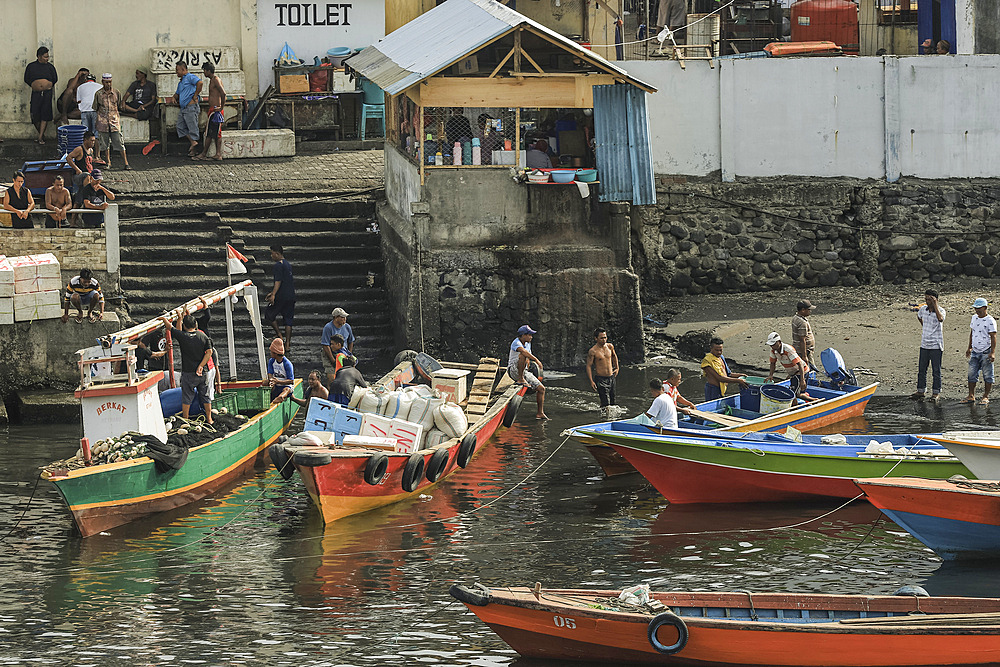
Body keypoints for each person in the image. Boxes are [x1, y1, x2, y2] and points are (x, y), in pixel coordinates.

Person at [160, 313, 215, 423]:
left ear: (185, 326)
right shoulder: (203, 336)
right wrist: (201, 366)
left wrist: (164, 319)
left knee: (187, 397)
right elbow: (209, 352)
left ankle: (186, 420)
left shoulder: (183, 337)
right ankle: (209, 419)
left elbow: (170, 327)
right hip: (202, 373)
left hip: (188, 373)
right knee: (205, 396)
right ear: (196, 324)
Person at [911, 288, 946, 402]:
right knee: (922, 369)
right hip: (925, 344)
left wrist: (935, 305)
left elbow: (940, 319)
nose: (927, 301)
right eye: (926, 299)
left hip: (936, 345)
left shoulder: (941, 310)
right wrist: (926, 328)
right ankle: (921, 390)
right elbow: (919, 317)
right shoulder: (922, 310)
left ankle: (936, 392)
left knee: (936, 370)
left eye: (929, 299)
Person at [508, 324, 547, 420]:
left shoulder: (528, 344)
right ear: (523, 335)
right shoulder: (516, 342)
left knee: (542, 389)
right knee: (523, 354)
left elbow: (528, 359)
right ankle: (521, 379)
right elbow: (524, 354)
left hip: (524, 371)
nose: (531, 337)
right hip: (513, 370)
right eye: (529, 335)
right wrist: (537, 360)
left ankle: (540, 413)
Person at [93, 73, 131, 170]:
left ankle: (126, 163)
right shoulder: (98, 94)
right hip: (102, 122)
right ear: (102, 82)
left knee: (119, 142)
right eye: (106, 82)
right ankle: (108, 163)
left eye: (109, 82)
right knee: (105, 144)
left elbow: (118, 105)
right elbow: (95, 107)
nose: (108, 84)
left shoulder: (116, 93)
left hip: (114, 121)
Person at [964, 297, 997, 405]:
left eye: (979, 308)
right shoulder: (974, 318)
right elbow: (972, 333)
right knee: (971, 373)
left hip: (985, 351)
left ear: (985, 308)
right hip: (975, 350)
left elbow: (993, 337)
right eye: (975, 308)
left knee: (988, 375)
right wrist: (969, 347)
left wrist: (992, 352)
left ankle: (985, 396)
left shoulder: (990, 320)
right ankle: (971, 395)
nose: (977, 310)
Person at [24, 46, 58, 145]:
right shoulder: (31, 66)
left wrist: (48, 85)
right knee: (34, 114)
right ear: (39, 56)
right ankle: (41, 134)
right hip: (36, 93)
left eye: (48, 57)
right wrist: (35, 85)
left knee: (45, 113)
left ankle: (40, 137)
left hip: (47, 93)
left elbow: (55, 78)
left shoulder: (50, 67)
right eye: (45, 57)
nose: (47, 59)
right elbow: (26, 78)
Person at [265, 244, 295, 351]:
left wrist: (273, 294)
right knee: (288, 320)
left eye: (272, 253)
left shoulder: (278, 265)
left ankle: (279, 335)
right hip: (290, 296)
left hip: (281, 296)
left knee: (269, 314)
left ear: (277, 254)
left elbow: (278, 281)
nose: (271, 256)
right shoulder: (287, 264)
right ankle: (287, 344)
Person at [194, 62, 227, 161]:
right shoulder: (213, 80)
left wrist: (221, 107)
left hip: (215, 110)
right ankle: (217, 154)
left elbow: (223, 93)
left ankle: (204, 153)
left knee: (209, 133)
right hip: (214, 110)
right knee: (216, 133)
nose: (204, 72)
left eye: (204, 70)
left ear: (208, 71)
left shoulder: (215, 80)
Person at [585, 327, 620, 414]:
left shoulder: (610, 346)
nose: (604, 340)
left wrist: (617, 367)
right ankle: (605, 419)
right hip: (600, 379)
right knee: (605, 403)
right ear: (596, 338)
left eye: (605, 337)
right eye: (601, 338)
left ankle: (613, 419)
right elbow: (588, 366)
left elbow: (614, 356)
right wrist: (591, 381)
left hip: (611, 377)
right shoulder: (593, 351)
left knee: (613, 402)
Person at [765, 331, 810, 398]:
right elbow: (772, 363)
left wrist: (802, 380)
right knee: (795, 392)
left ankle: (813, 400)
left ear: (779, 342)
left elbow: (800, 364)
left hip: (801, 371)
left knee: (793, 394)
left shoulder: (788, 350)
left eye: (773, 344)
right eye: (771, 345)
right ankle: (809, 400)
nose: (772, 346)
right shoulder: (773, 351)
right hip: (793, 373)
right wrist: (770, 375)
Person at [701, 337, 747, 401]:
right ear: (711, 348)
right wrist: (738, 381)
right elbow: (719, 378)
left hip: (721, 389)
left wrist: (741, 375)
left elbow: (729, 374)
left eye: (721, 350)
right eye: (717, 350)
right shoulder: (707, 361)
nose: (719, 352)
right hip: (713, 389)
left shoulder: (721, 357)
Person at [172, 61, 203, 157]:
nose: (176, 72)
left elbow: (200, 83)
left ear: (183, 69)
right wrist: (174, 97)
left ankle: (195, 150)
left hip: (191, 107)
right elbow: (177, 93)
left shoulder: (190, 77)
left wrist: (195, 95)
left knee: (193, 128)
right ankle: (193, 142)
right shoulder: (181, 82)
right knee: (180, 127)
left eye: (177, 70)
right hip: (183, 108)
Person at [321, 307, 355, 381]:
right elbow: (325, 345)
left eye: (345, 317)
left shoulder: (347, 327)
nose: (344, 319)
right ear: (336, 318)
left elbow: (350, 341)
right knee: (332, 379)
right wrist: (333, 360)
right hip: (331, 353)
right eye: (342, 317)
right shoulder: (328, 327)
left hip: (343, 353)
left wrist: (349, 355)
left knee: (346, 377)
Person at [791, 299, 817, 372]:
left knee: (799, 367)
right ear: (803, 310)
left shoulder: (796, 317)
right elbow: (802, 340)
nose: (810, 311)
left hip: (799, 348)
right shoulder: (802, 322)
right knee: (807, 368)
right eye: (808, 309)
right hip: (805, 350)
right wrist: (804, 355)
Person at [267, 337, 295, 403]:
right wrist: (271, 381)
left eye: (271, 352)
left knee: (286, 390)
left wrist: (278, 382)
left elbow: (291, 381)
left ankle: (281, 397)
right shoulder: (272, 361)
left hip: (285, 385)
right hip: (276, 385)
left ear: (275, 353)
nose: (270, 353)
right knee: (265, 383)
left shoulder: (287, 363)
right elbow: (270, 373)